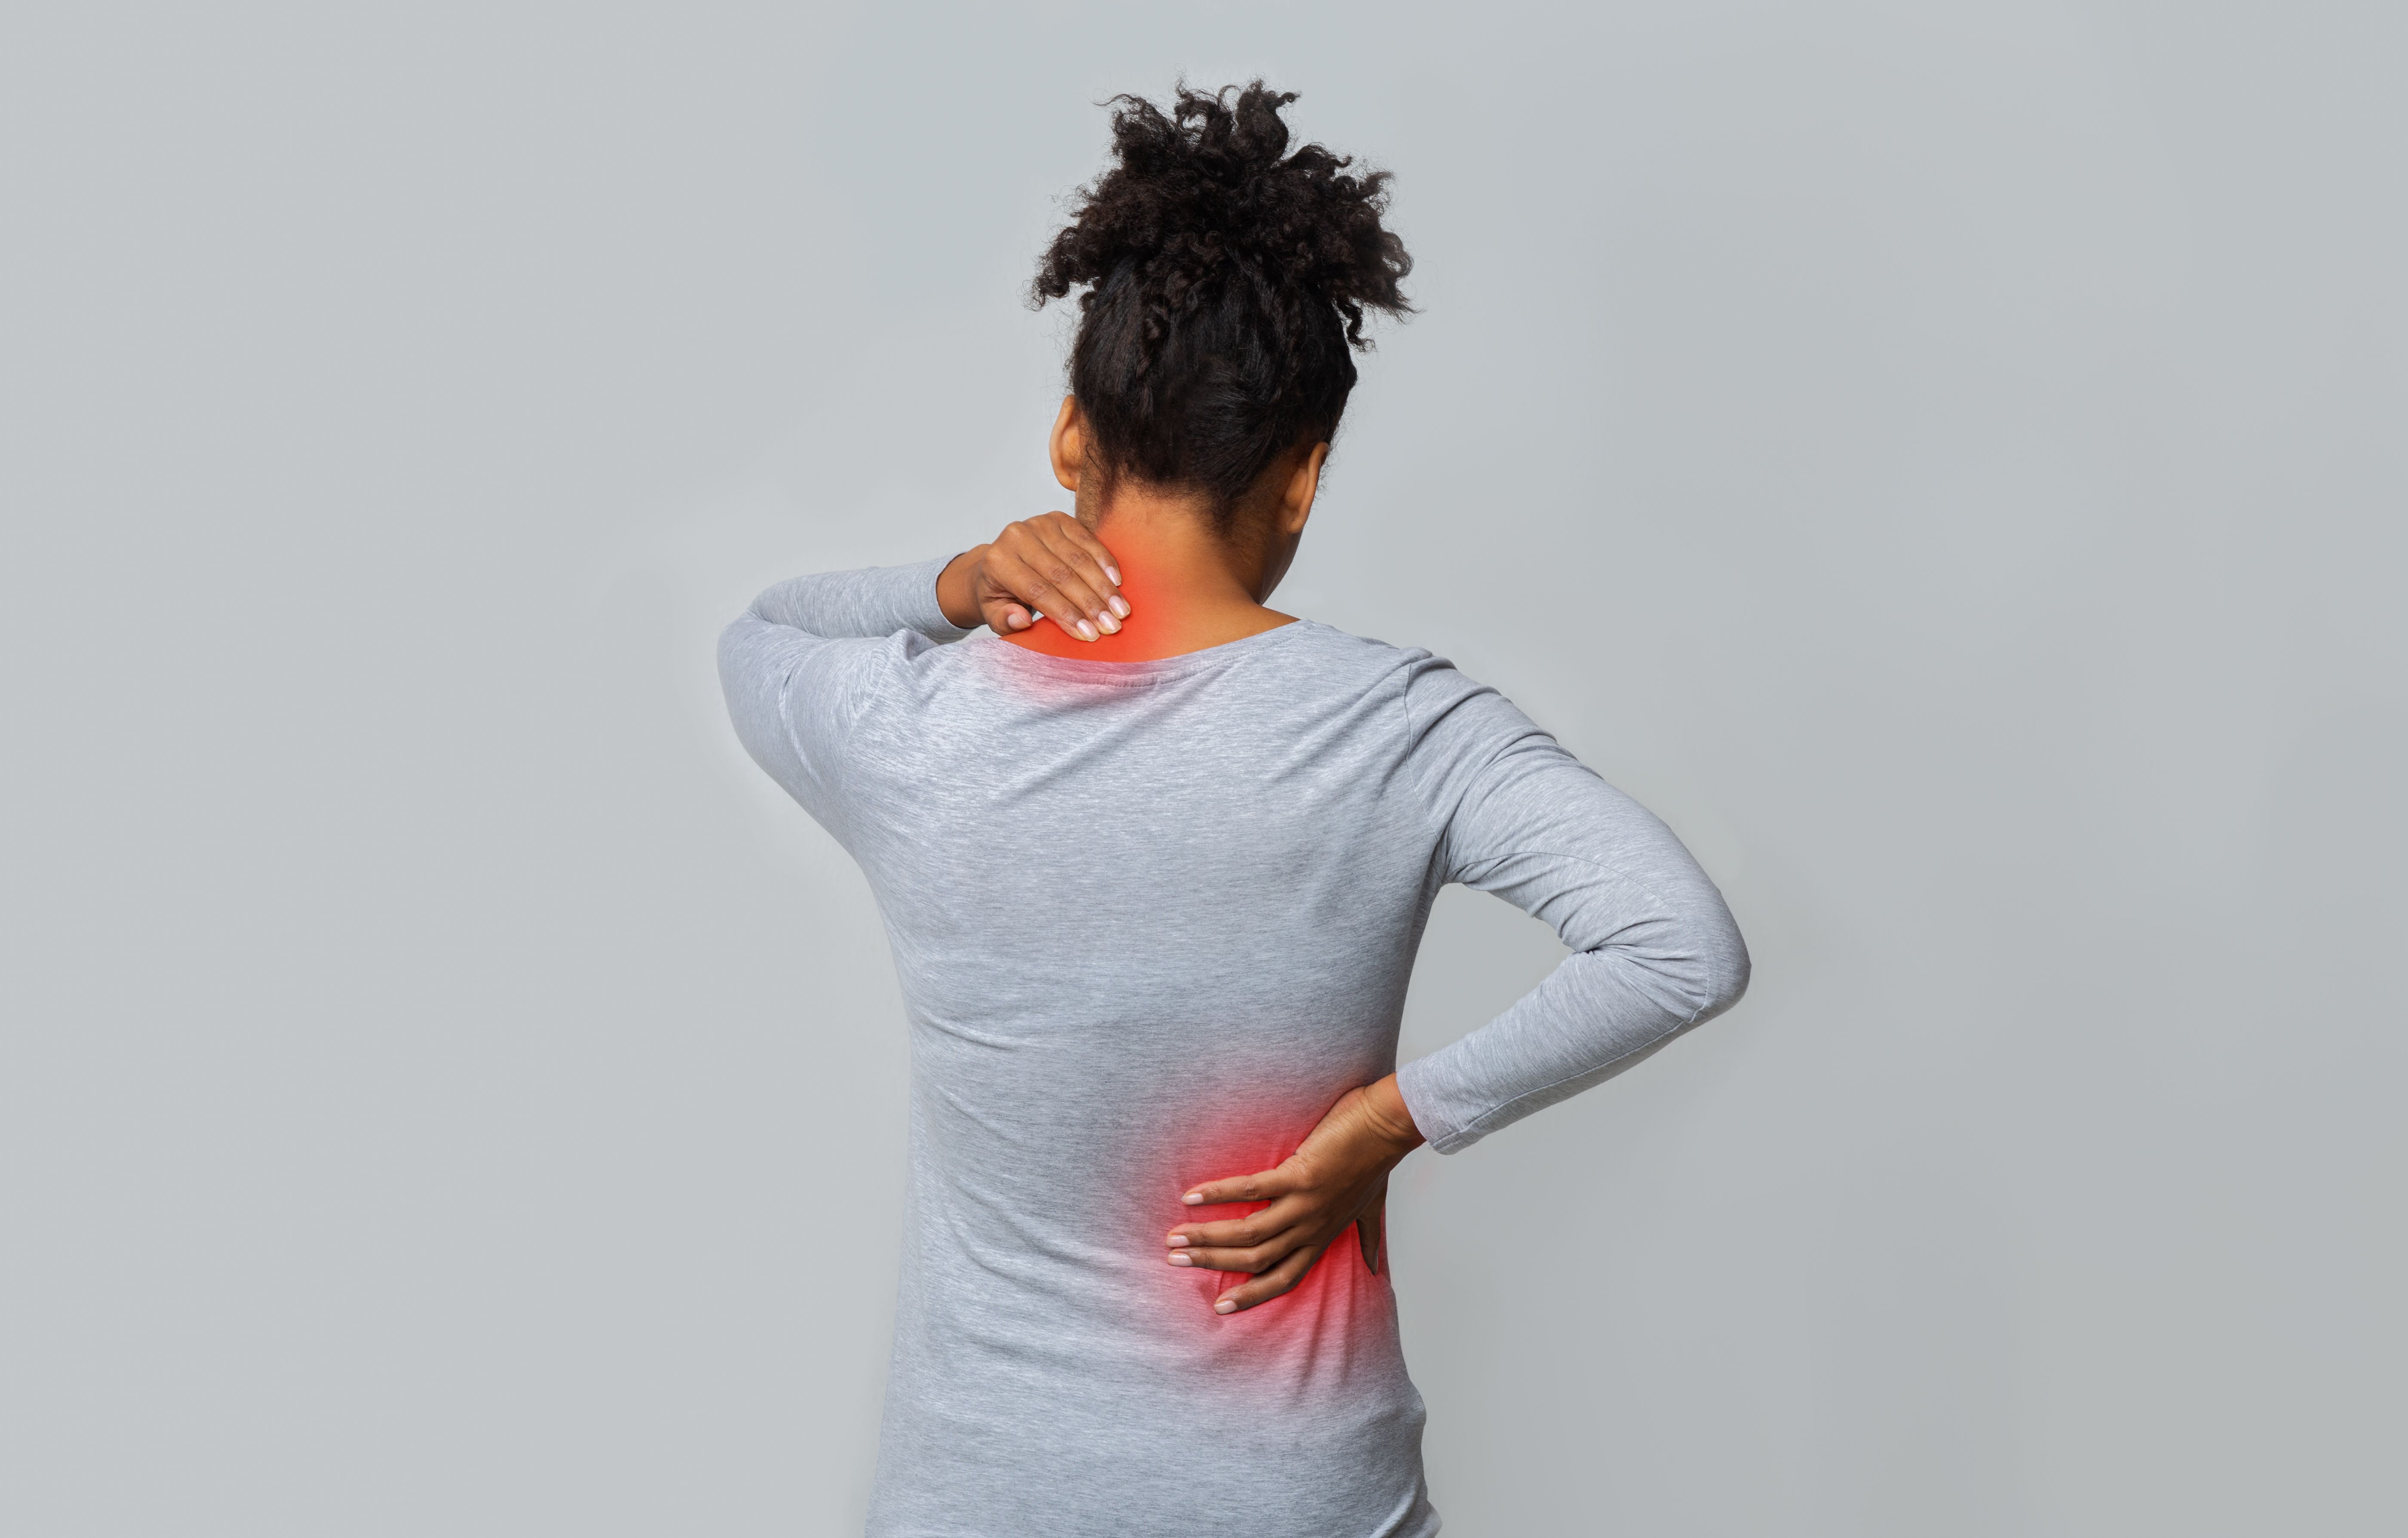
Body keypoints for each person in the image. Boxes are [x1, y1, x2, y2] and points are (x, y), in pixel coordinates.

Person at [719, 82, 1748, 1538]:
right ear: (1306, 469)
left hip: (980, 1495)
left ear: (1072, 433)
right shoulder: (1402, 730)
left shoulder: (909, 724)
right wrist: (1387, 1124)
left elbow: (758, 636)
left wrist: (957, 584)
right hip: (1290, 1496)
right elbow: (1679, 946)